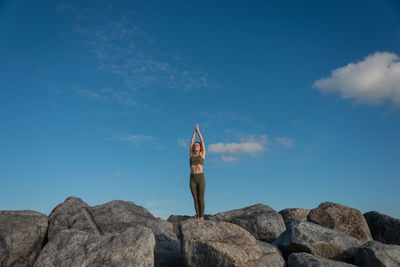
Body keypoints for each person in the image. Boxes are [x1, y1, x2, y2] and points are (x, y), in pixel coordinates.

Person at [189, 124, 206, 221]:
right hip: (192, 178)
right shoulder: (191, 154)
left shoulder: (202, 154)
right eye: (195, 145)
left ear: (200, 148)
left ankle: (201, 217)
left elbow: (203, 142)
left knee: (201, 198)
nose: (195, 146)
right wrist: (193, 133)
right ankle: (197, 217)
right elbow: (191, 143)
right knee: (195, 198)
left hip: (200, 177)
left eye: (197, 145)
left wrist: (198, 132)